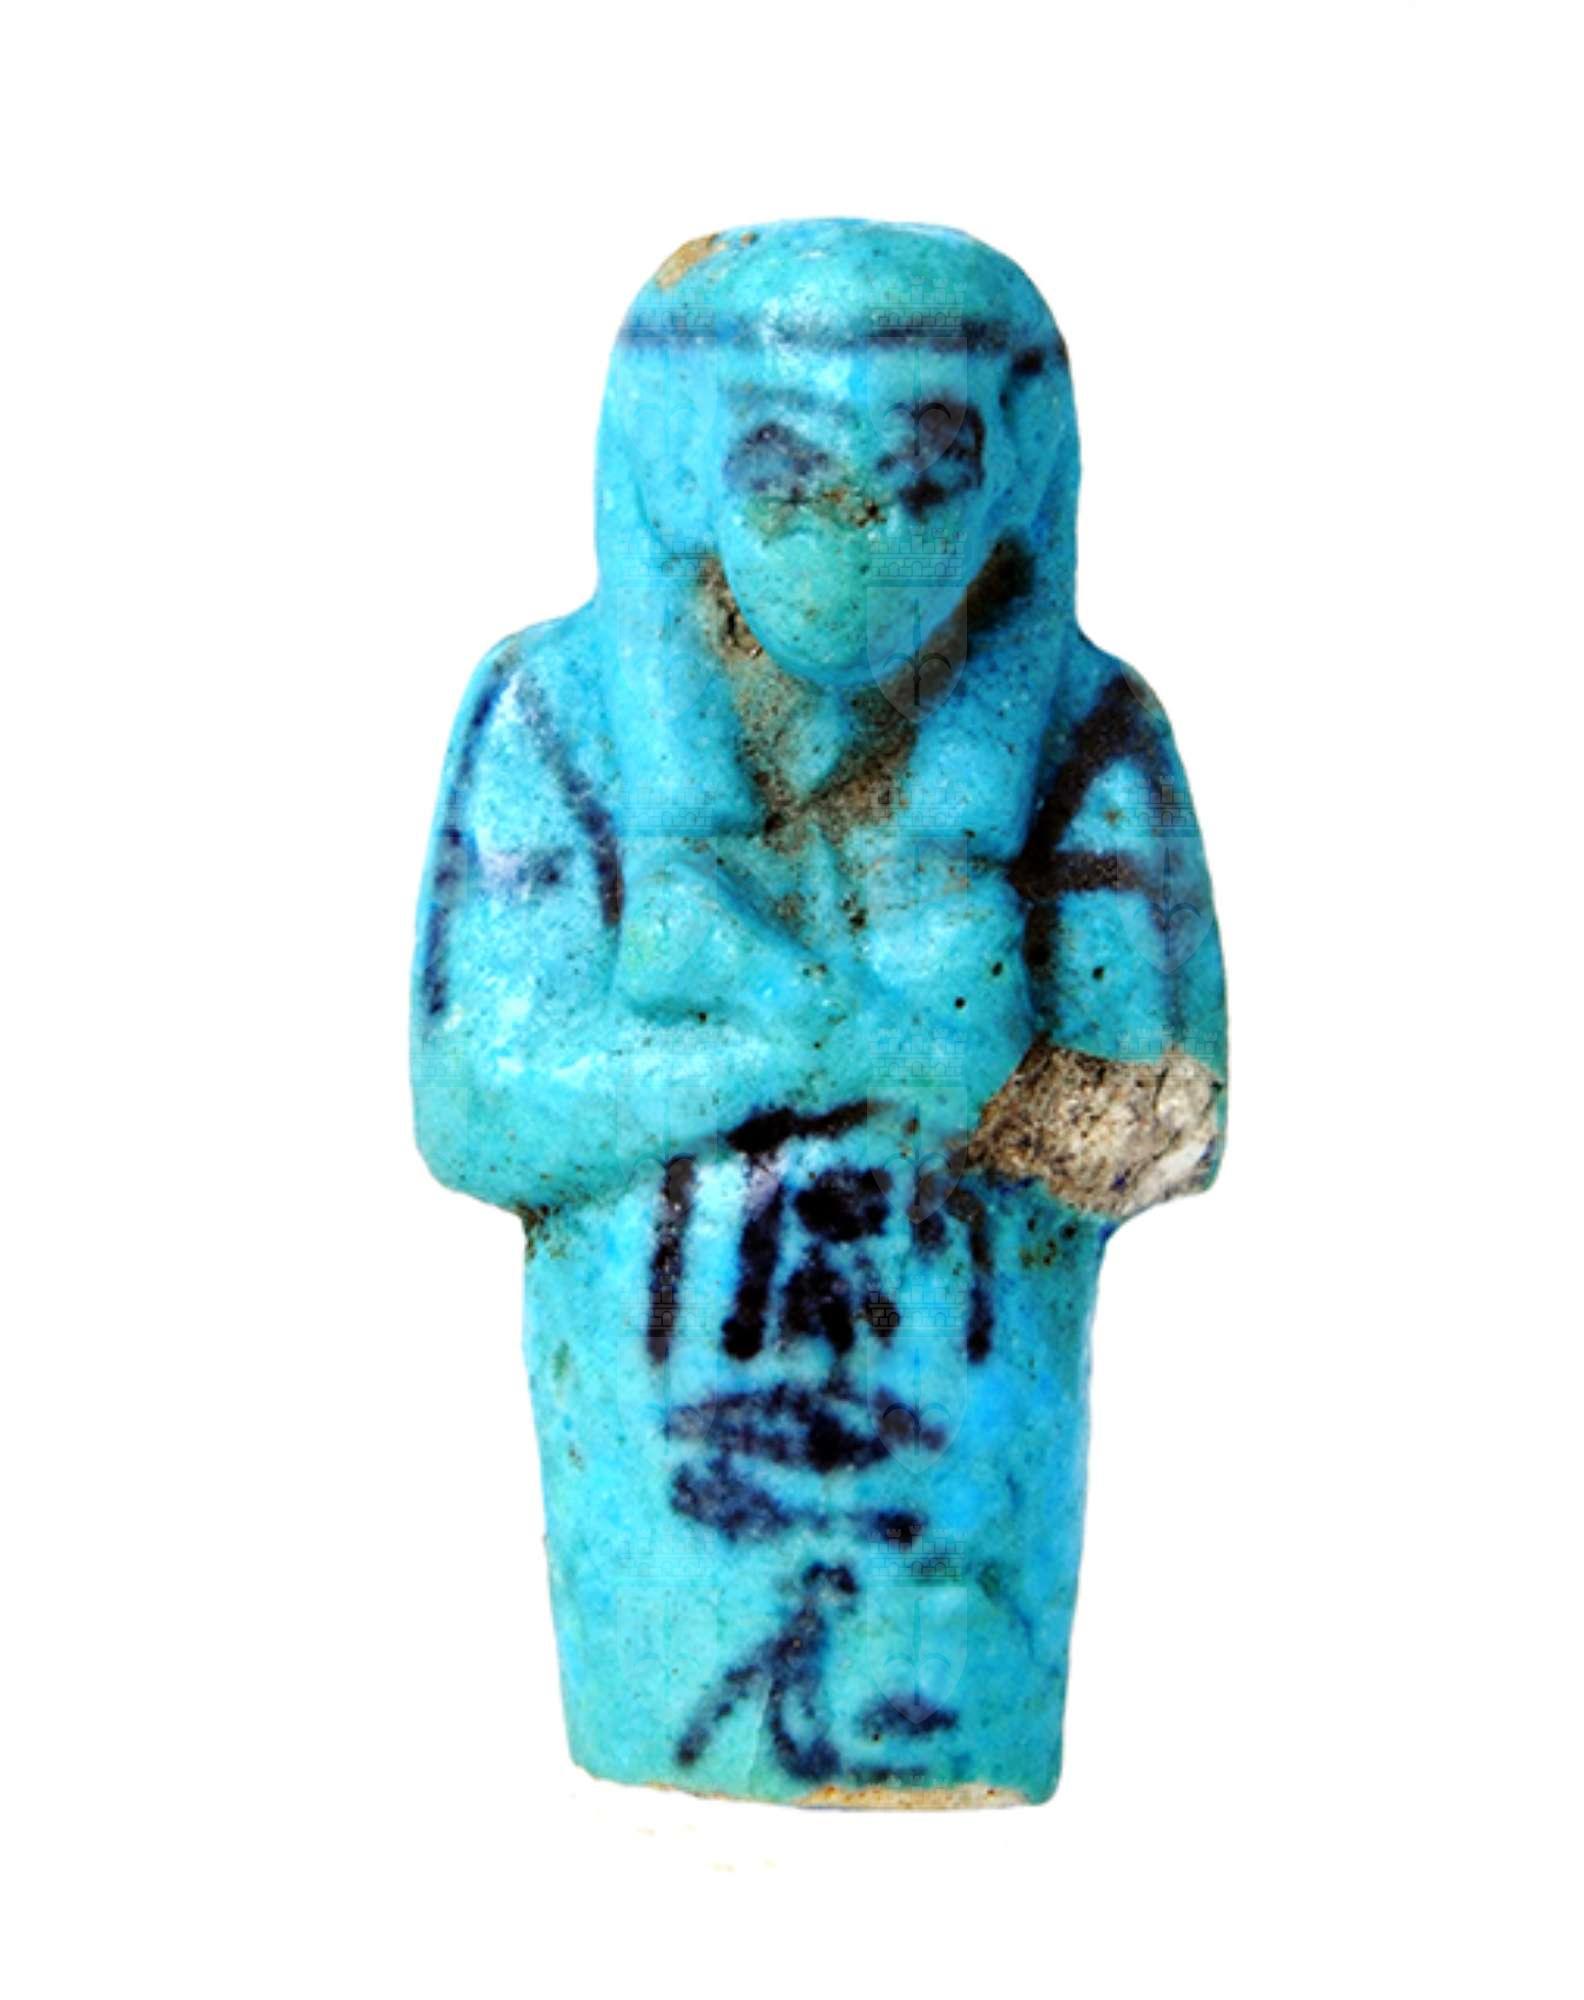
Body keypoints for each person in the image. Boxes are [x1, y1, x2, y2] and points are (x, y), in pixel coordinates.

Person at [412, 220, 1226, 1805]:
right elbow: (473, 1101)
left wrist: (897, 1043)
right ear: (680, 472)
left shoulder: (1090, 735)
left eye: (924, 482)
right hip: (664, 1468)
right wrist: (809, 1046)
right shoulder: (552, 714)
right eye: (788, 479)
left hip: (957, 1483)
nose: (861, 543)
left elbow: (1170, 1132)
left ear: (1012, 485)